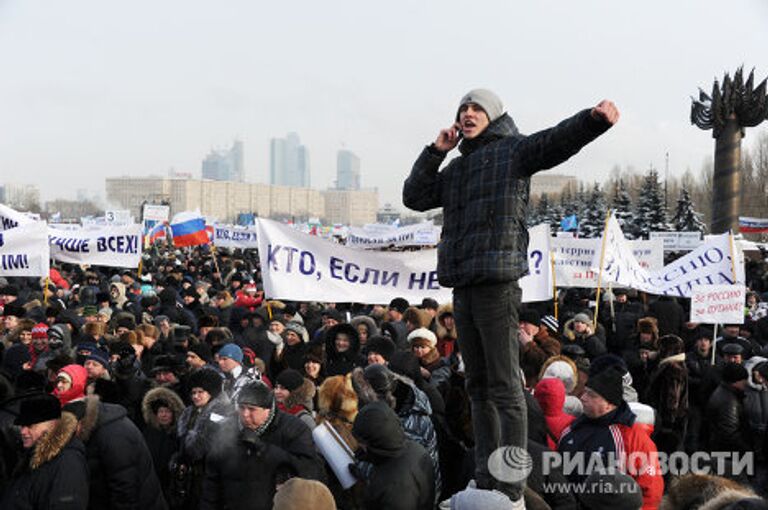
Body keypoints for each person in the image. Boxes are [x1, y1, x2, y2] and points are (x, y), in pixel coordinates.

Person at [402, 88, 619, 504]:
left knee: (504, 388)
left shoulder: (513, 152)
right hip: (462, 284)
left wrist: (591, 120)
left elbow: (555, 141)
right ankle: (487, 474)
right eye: (463, 108)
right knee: (477, 387)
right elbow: (414, 196)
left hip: (497, 285)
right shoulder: (456, 170)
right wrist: (435, 151)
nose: (467, 113)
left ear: (494, 116)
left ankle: (511, 481)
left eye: (476, 108)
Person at [200, 381, 323, 510]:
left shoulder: (294, 429)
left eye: (252, 409)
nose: (245, 414)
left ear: (267, 409)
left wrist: (264, 450)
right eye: (242, 407)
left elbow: (309, 471)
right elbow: (212, 481)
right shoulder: (227, 428)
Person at [558, 367, 664, 508]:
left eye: (591, 395)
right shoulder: (571, 428)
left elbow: (651, 489)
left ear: (609, 404)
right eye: (584, 392)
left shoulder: (633, 438)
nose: (583, 397)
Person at [1, 394, 89, 510]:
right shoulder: (34, 452)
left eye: (30, 425)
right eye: (22, 425)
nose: (23, 431)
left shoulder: (67, 463)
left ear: (52, 424)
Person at [351, 400, 435, 510]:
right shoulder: (415, 448)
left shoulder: (393, 490)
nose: (359, 445)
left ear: (376, 443)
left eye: (362, 443)